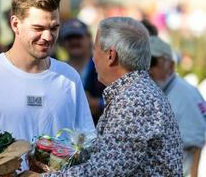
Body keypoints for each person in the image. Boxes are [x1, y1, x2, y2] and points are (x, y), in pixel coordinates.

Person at [23, 17, 183, 176]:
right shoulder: (135, 91)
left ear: (111, 56)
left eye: (95, 49)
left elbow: (103, 171)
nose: (93, 57)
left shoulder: (133, 100)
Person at [0, 0, 94, 149]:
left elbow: (87, 143)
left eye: (54, 28)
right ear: (15, 24)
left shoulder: (69, 77)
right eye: (38, 28)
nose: (48, 36)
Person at [149, 36, 206, 177]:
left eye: (152, 61)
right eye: (143, 62)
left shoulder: (184, 94)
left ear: (171, 65)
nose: (147, 68)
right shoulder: (164, 89)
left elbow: (196, 148)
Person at [60, 19, 105, 125]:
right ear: (62, 43)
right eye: (69, 38)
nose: (74, 41)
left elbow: (121, 101)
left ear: (89, 38)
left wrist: (97, 104)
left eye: (78, 37)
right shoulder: (57, 71)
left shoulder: (105, 67)